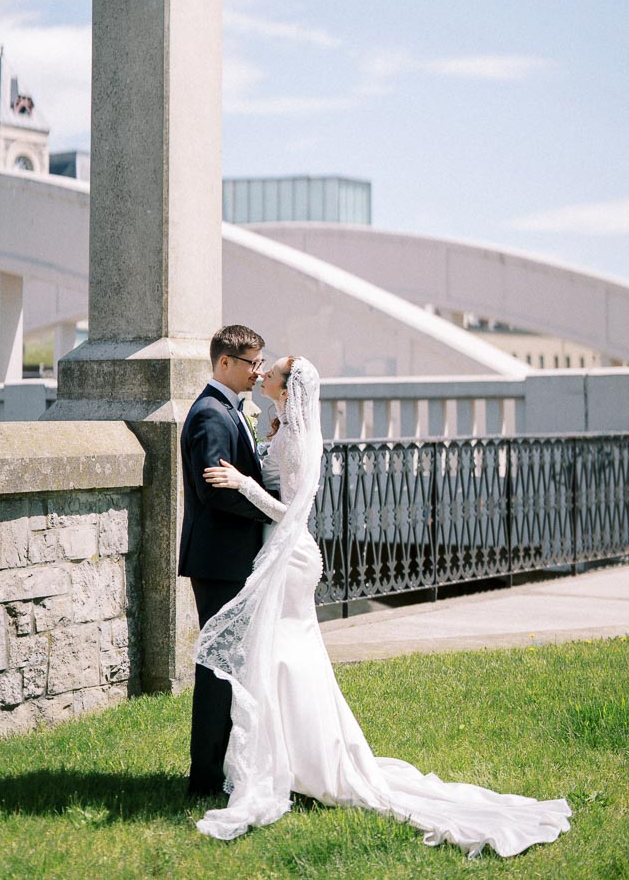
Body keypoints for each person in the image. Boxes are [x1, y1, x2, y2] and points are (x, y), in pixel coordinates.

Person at [197, 355, 572, 858]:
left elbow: (295, 511)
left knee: (285, 655)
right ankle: (295, 756)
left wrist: (243, 484)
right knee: (281, 655)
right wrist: (269, 438)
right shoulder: (286, 426)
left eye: (272, 372)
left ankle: (301, 761)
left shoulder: (303, 440)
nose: (262, 374)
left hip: (290, 549)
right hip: (280, 549)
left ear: (288, 387)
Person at [178, 323, 271, 797]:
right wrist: (270, 505)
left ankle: (226, 766)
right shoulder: (212, 415)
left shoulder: (229, 410)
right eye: (252, 363)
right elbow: (215, 491)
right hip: (219, 561)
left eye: (260, 363)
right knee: (217, 669)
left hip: (230, 558)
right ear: (224, 364)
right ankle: (205, 780)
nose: (259, 371)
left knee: (230, 666)